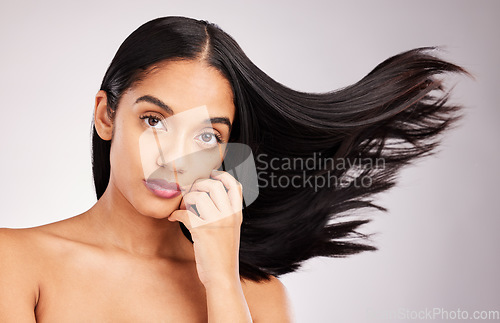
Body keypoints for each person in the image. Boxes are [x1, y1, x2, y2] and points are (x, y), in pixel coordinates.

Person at [0, 16, 469, 322]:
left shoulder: (256, 297)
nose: (174, 158)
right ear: (106, 115)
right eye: (154, 120)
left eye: (207, 136)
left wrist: (222, 280)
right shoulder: (16, 262)